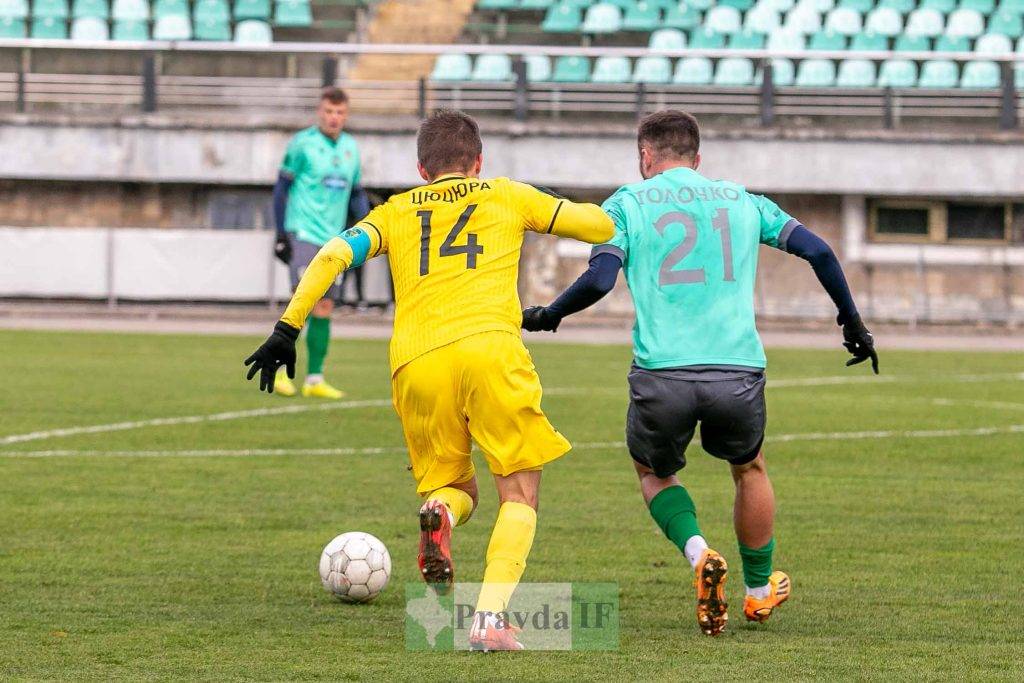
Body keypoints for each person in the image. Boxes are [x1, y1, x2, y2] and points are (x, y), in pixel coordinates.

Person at [244, 110, 614, 651]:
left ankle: (440, 512)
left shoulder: (395, 210)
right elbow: (601, 227)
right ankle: (489, 621)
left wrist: (286, 329)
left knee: (456, 487)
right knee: (519, 490)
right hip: (491, 350)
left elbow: (329, 255)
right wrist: (544, 201)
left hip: (415, 363)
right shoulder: (508, 194)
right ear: (479, 161)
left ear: (422, 168)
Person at [521, 110, 879, 637]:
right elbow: (819, 251)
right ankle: (759, 594)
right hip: (737, 371)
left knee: (653, 472)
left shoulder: (626, 202)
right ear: (698, 157)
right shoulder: (743, 201)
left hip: (662, 374)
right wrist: (852, 323)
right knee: (750, 467)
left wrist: (551, 313)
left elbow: (599, 280)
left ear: (645, 156)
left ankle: (698, 554)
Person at [271, 86, 370, 399]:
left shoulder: (351, 148)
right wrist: (280, 233)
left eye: (340, 112)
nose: (334, 117)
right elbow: (281, 188)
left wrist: (367, 226)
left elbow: (356, 194)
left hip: (334, 240)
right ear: (320, 111)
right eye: (329, 111)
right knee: (300, 302)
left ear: (346, 115)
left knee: (325, 306)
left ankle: (314, 379)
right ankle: (277, 371)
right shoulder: (302, 144)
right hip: (303, 233)